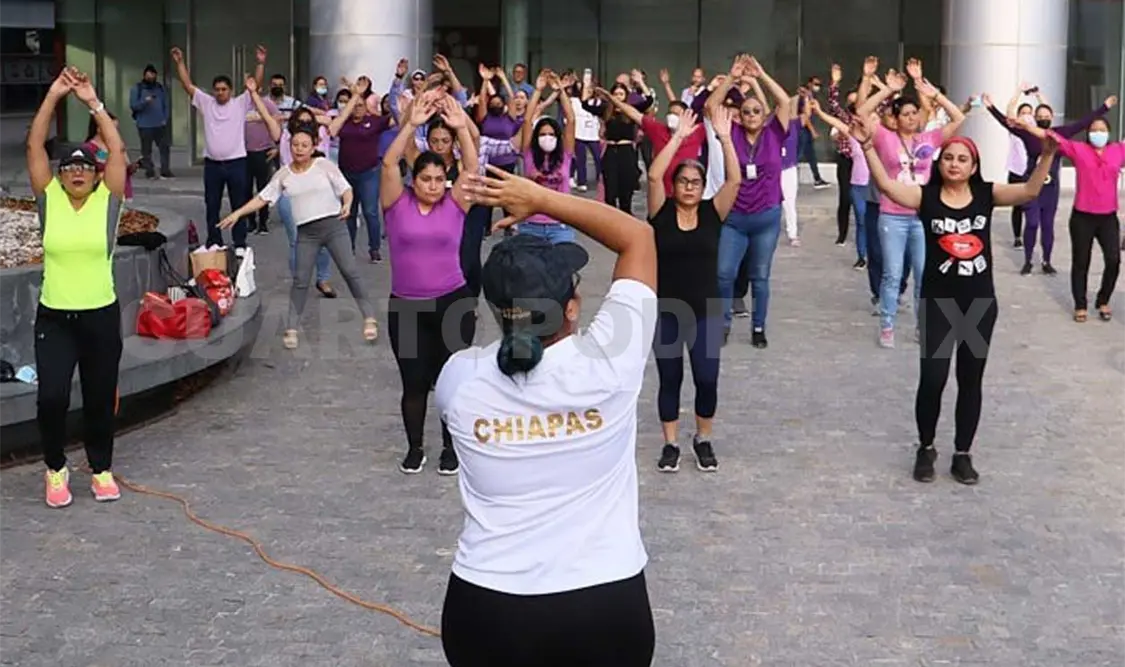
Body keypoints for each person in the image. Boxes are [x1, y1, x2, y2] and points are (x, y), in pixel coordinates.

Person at [437, 164, 658, 667]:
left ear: (495, 308)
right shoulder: (610, 365)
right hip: (604, 603)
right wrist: (543, 198)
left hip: (488, 607)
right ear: (573, 306)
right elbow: (638, 237)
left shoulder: (460, 380)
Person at [855, 122, 1054, 484]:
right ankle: (926, 447)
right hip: (937, 304)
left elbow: (1029, 190)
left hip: (979, 305)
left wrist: (1048, 156)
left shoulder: (985, 194)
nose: (955, 164)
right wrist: (868, 147)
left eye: (963, 159)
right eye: (948, 158)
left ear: (974, 166)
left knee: (970, 379)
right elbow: (885, 186)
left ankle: (963, 453)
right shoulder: (925, 197)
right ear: (939, 162)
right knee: (932, 378)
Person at [27, 67, 128, 508]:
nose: (78, 174)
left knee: (99, 398)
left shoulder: (108, 201)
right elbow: (33, 145)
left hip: (100, 315)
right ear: (61, 175)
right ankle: (55, 469)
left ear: (95, 173)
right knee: (51, 396)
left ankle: (101, 468)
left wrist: (93, 102)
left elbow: (119, 148)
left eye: (85, 168)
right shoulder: (48, 198)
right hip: (55, 317)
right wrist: (53, 95)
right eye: (69, 169)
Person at [381, 92, 479, 475]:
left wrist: (461, 128)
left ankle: (451, 448)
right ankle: (415, 447)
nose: (434, 185)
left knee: (451, 382)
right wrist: (410, 123)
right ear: (414, 179)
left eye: (440, 178)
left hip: (453, 303)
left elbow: (471, 167)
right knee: (414, 381)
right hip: (406, 306)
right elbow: (389, 162)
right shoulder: (396, 203)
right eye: (426, 178)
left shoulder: (456, 204)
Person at [220, 112, 376, 350]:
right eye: (295, 145)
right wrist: (238, 213)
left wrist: (346, 204)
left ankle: (369, 318)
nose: (300, 149)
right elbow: (263, 197)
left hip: (334, 227)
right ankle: (291, 328)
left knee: (350, 270)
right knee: (301, 280)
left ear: (314, 145)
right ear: (289, 146)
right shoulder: (284, 174)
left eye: (305, 145)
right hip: (307, 233)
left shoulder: (324, 165)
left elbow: (346, 189)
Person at [648, 107, 740, 473]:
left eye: (695, 182)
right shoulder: (661, 213)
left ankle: (703, 438)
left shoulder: (712, 213)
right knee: (670, 378)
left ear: (703, 188)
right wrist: (678, 138)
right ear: (675, 185)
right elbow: (654, 175)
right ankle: (670, 444)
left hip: (705, 311)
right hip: (668, 310)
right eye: (683, 181)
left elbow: (734, 181)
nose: (688, 186)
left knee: (706, 376)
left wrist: (725, 137)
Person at [856, 68, 966, 348]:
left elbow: (959, 118)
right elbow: (862, 110)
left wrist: (935, 95)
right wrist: (887, 90)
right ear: (895, 117)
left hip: (923, 217)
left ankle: (922, 325)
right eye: (905, 114)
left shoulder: (928, 139)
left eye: (914, 113)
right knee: (892, 273)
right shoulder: (885, 138)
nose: (911, 118)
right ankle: (887, 324)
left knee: (924, 274)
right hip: (892, 215)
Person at [706, 55, 791, 349]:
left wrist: (762, 75)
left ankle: (758, 327)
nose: (753, 114)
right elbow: (711, 107)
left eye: (757, 110)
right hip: (734, 216)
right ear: (740, 115)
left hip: (766, 217)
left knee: (760, 276)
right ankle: (725, 323)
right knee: (723, 273)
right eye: (747, 111)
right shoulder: (732, 134)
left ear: (763, 114)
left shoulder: (774, 133)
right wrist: (731, 77)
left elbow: (784, 102)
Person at [984, 92, 1113, 275]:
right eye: (1040, 117)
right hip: (1032, 184)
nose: (1043, 119)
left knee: (1047, 225)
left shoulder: (1060, 133)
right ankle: (1028, 260)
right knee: (1032, 223)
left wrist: (1104, 107)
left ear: (1052, 118)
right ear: (1035, 118)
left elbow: (1083, 123)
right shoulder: (1028, 134)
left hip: (1051, 188)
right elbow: (1006, 122)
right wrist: (990, 107)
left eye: (1046, 116)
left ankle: (1046, 261)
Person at [170, 44, 266, 250]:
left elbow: (255, 86)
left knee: (238, 204)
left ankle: (239, 241)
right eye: (217, 89)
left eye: (224, 89)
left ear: (230, 91)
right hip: (213, 164)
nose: (220, 93)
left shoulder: (240, 104)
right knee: (211, 205)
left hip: (237, 163)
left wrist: (260, 63)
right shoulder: (207, 102)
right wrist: (179, 63)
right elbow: (187, 85)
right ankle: (214, 240)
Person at [250, 81, 337, 297]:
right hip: (290, 195)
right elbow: (268, 117)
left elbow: (335, 119)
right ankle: (300, 281)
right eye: (300, 122)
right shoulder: (284, 136)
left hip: (321, 196)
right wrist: (253, 93)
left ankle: (323, 279)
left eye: (309, 123)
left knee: (323, 242)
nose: (304, 125)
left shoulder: (322, 136)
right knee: (297, 241)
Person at [1049, 121, 1125, 322]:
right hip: (1083, 216)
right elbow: (1049, 136)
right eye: (1094, 130)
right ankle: (1080, 304)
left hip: (1108, 216)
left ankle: (1103, 299)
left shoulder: (1118, 150)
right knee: (1081, 261)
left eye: (1102, 130)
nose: (1098, 133)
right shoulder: (1079, 149)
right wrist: (1025, 125)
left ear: (1109, 132)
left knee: (1114, 260)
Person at [332, 79, 393, 260]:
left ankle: (374, 248)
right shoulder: (343, 123)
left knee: (370, 212)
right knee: (348, 213)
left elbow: (395, 119)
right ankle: (348, 248)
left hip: (369, 174)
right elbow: (331, 128)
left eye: (361, 105)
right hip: (346, 174)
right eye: (354, 105)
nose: (357, 108)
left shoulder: (374, 121)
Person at [517, 69, 578, 243]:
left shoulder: (564, 155)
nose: (547, 138)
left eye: (551, 134)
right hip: (530, 225)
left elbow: (571, 120)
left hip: (560, 225)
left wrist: (561, 91)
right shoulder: (529, 154)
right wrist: (538, 90)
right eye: (543, 134)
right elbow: (528, 121)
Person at [811, 99, 869, 268]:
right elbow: (835, 121)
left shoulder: (880, 135)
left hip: (875, 187)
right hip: (858, 185)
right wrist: (820, 112)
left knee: (873, 222)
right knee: (861, 221)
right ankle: (862, 256)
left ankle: (875, 254)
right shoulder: (852, 134)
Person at [584, 76, 654, 214]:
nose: (618, 97)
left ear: (626, 96)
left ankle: (626, 219)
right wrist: (588, 88)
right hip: (610, 151)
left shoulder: (631, 109)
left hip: (626, 151)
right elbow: (585, 105)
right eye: (615, 94)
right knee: (610, 193)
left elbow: (649, 101)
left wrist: (640, 82)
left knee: (625, 192)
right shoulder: (606, 109)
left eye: (621, 94)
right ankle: (611, 221)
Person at [243, 80, 281, 235]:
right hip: (244, 152)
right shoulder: (242, 105)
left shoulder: (268, 104)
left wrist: (276, 147)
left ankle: (263, 222)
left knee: (263, 188)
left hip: (263, 151)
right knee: (245, 189)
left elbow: (278, 123)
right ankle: (250, 221)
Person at [129, 64, 173, 179]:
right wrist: (145, 101)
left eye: (153, 75)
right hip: (144, 125)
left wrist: (165, 118)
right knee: (146, 150)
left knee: (164, 147)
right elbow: (134, 106)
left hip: (160, 124)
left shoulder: (160, 88)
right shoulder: (137, 89)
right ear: (144, 75)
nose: (151, 77)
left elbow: (166, 105)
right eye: (149, 75)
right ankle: (149, 170)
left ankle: (165, 170)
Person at [83, 111, 136, 201]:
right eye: (112, 129)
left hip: (124, 192)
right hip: (103, 195)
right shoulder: (89, 148)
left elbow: (126, 167)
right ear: (99, 129)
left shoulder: (118, 145)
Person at [797, 76, 829, 189]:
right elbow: (805, 117)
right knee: (798, 155)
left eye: (819, 84)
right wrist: (813, 131)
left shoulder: (810, 97)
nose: (817, 87)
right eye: (815, 84)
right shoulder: (804, 97)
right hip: (803, 131)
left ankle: (817, 178)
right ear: (809, 83)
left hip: (806, 131)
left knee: (811, 156)